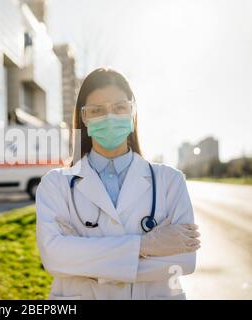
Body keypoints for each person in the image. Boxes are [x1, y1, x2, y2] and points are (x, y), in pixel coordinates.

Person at [35, 68, 201, 300]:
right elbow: (54, 257)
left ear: (132, 112)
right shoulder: (56, 184)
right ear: (84, 118)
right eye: (97, 110)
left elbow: (183, 261)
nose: (110, 117)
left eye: (119, 108)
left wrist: (84, 262)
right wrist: (146, 245)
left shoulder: (170, 180)